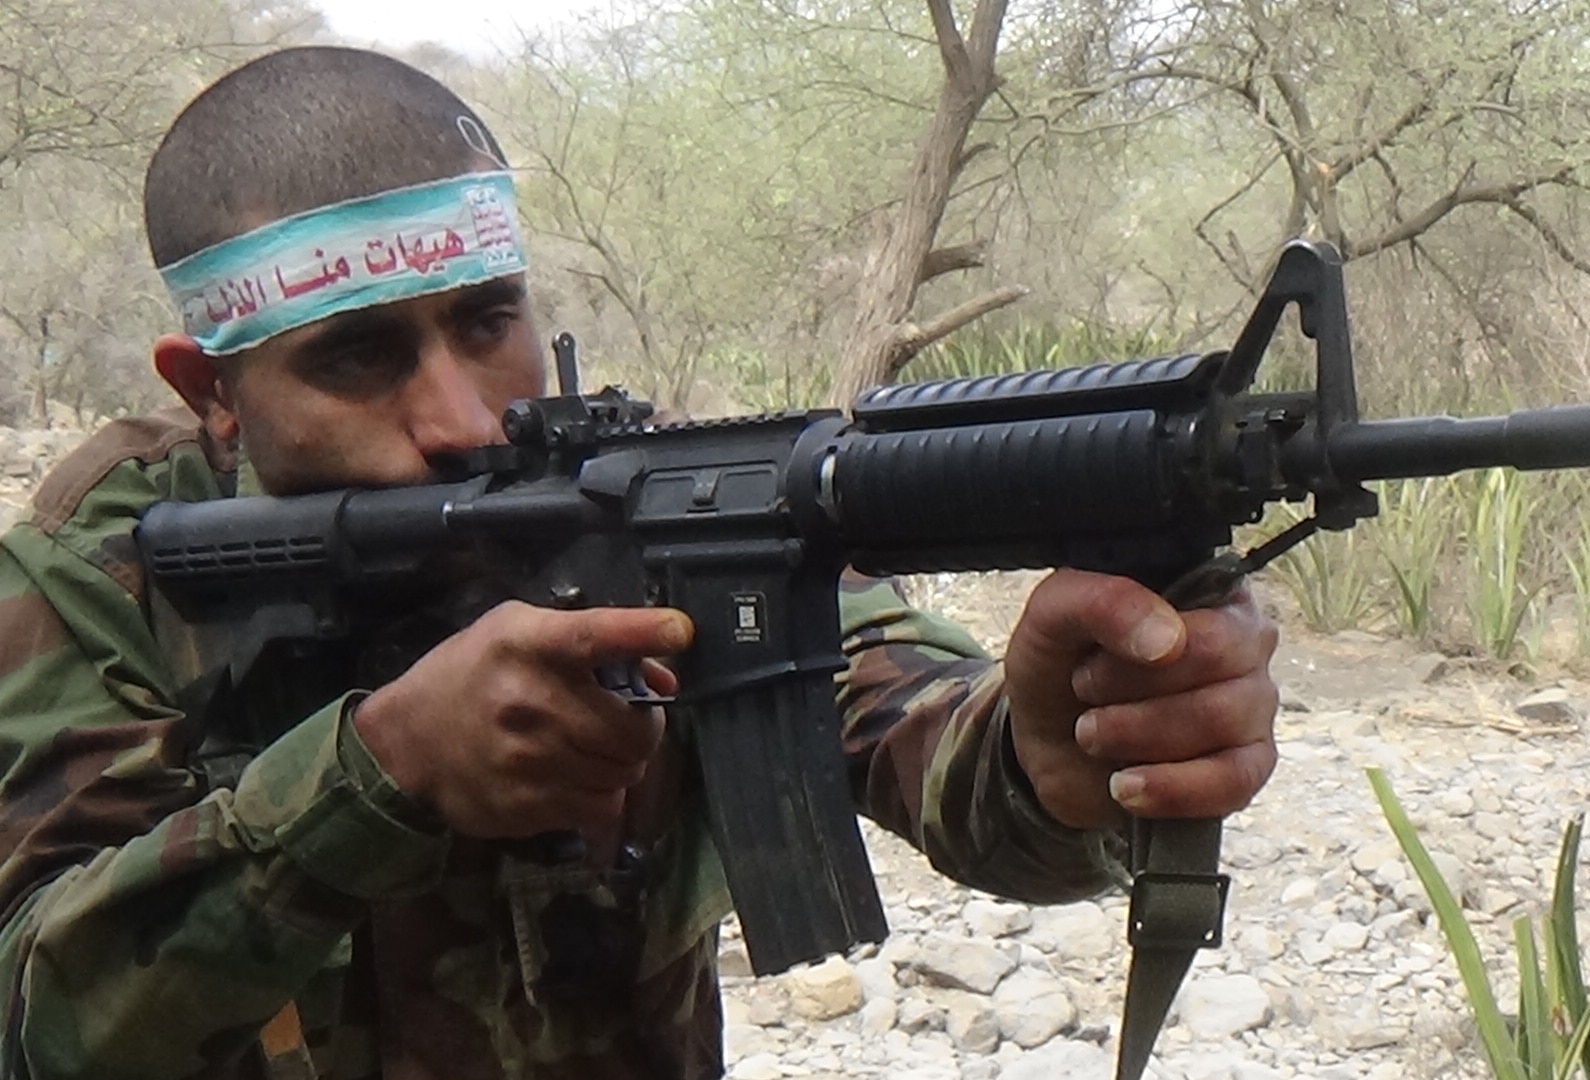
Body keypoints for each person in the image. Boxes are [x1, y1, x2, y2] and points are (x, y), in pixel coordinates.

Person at [0, 46, 1279, 1080]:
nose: (460, 416)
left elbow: (913, 723)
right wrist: (376, 776)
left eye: (487, 324)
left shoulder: (656, 500)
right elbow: (35, 1024)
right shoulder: (95, 580)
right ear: (213, 393)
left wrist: (1054, 759)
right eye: (358, 356)